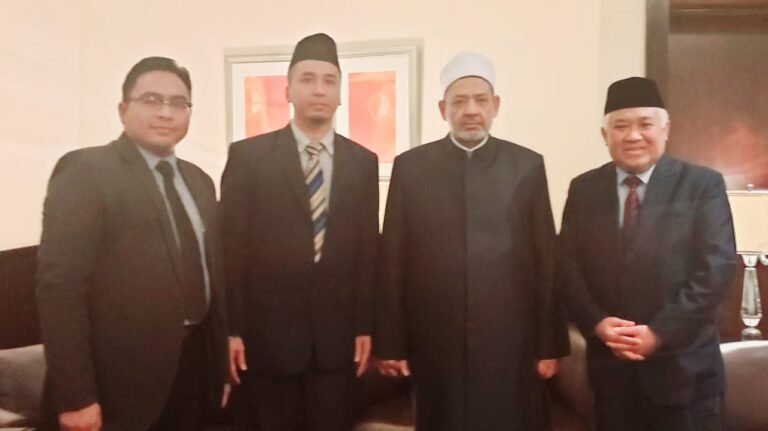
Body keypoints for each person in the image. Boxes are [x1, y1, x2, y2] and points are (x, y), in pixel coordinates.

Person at [374, 51, 570, 430]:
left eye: (480, 100)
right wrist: (391, 343)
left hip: (509, 340)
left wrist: (550, 345)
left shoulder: (526, 166)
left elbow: (546, 260)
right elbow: (392, 260)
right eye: (459, 101)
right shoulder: (411, 167)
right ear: (442, 109)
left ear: (495, 105)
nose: (470, 111)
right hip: (434, 338)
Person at [36, 56, 229, 431]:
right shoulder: (86, 171)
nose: (166, 112)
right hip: (117, 385)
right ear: (123, 109)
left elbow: (213, 278)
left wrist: (217, 366)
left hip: (192, 372)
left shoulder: (199, 182)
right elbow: (59, 291)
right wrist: (76, 397)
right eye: (152, 99)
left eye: (178, 103)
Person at [559, 76, 737, 430]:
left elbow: (716, 268)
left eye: (645, 124)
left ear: (665, 129)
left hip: (684, 371)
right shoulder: (583, 189)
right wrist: (597, 323)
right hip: (612, 373)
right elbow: (566, 267)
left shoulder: (702, 185)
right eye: (620, 126)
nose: (633, 135)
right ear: (605, 135)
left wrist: (659, 333)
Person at [220, 33, 379, 430]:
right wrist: (230, 330)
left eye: (329, 80)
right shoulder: (249, 158)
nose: (319, 89)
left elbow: (366, 253)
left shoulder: (363, 163)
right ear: (288, 89)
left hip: (335, 345)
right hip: (265, 344)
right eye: (307, 79)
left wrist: (364, 326)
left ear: (340, 93)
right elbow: (230, 253)